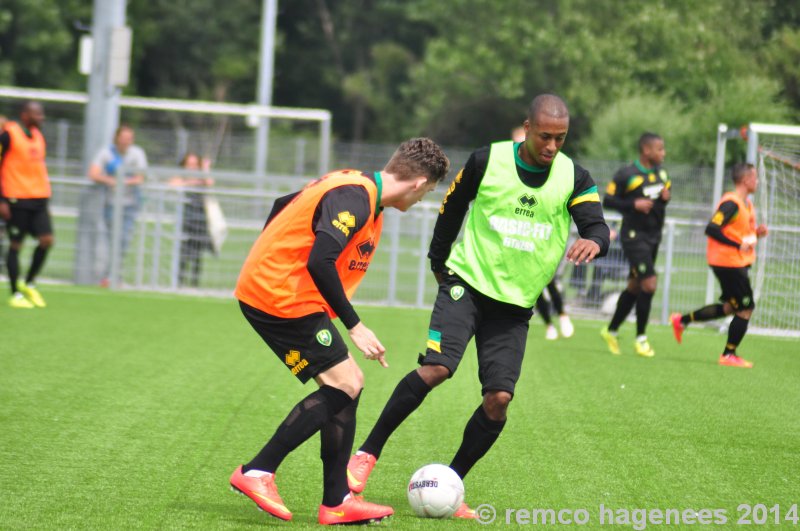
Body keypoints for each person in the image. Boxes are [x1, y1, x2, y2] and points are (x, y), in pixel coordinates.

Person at [346, 94, 610, 518]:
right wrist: (439, 263)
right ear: (527, 128)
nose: (552, 146)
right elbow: (451, 209)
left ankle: (449, 483)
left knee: (499, 399)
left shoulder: (574, 177)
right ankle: (364, 455)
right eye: (545, 136)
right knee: (437, 369)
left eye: (560, 138)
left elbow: (596, 223)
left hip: (514, 308)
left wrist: (595, 240)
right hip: (465, 285)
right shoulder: (487, 160)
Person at [230, 138, 449, 525]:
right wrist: (355, 326)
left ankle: (336, 501)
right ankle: (258, 471)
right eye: (428, 192)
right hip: (281, 298)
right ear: (417, 184)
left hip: (284, 294)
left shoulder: (358, 188)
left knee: (349, 384)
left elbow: (283, 203)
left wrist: (269, 257)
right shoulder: (355, 196)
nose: (422, 201)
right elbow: (320, 260)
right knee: (344, 383)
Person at [670, 163, 767, 368]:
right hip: (728, 262)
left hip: (736, 261)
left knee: (731, 307)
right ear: (745, 180)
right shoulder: (731, 203)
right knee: (746, 306)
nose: (757, 181)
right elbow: (712, 228)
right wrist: (737, 245)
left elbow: (739, 235)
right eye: (755, 177)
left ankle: (682, 320)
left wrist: (756, 234)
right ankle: (729, 354)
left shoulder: (746, 204)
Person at [599, 132, 669, 357]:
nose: (663, 153)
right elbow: (608, 200)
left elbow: (660, 201)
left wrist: (665, 199)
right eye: (660, 149)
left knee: (635, 287)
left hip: (653, 237)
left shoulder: (662, 174)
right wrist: (633, 204)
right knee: (649, 285)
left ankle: (611, 330)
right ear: (646, 151)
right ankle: (641, 339)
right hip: (633, 235)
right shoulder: (626, 174)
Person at [0, 101, 53, 309]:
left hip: (38, 199)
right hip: (16, 198)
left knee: (46, 240)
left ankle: (29, 282)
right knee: (15, 245)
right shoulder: (9, 135)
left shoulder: (39, 137)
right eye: (37, 114)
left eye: (41, 114)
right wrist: (2, 198)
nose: (41, 118)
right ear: (24, 115)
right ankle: (15, 294)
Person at [88, 124, 148, 285]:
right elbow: (93, 173)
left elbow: (141, 177)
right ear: (117, 138)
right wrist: (110, 181)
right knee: (112, 239)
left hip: (130, 205)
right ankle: (111, 276)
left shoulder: (137, 154)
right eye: (124, 138)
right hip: (110, 204)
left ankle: (112, 274)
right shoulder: (107, 153)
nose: (127, 141)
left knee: (123, 240)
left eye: (130, 138)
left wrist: (123, 182)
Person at [168, 152, 214, 287]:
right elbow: (173, 184)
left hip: (199, 221)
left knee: (197, 254)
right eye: (189, 164)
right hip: (184, 221)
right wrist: (190, 181)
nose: (192, 168)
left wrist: (206, 168)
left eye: (195, 165)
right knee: (183, 253)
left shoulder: (202, 179)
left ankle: (194, 283)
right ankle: (179, 282)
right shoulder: (181, 177)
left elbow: (209, 183)